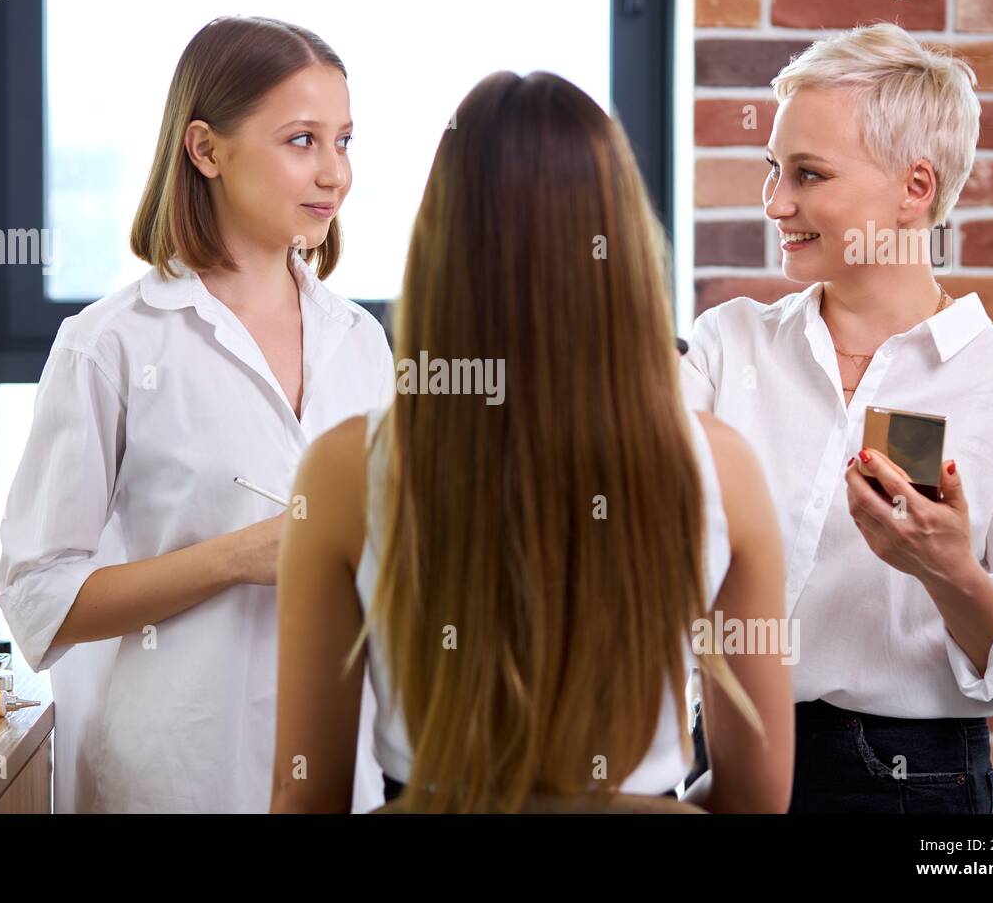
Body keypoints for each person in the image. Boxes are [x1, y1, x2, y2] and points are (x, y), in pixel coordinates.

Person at [270, 70, 794, 813]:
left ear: (442, 246)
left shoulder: (340, 473)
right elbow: (759, 794)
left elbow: (304, 796)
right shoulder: (723, 467)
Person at [681, 23, 993, 813]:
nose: (775, 202)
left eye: (808, 174)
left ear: (915, 188)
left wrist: (952, 572)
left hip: (917, 781)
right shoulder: (726, 347)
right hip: (729, 757)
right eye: (773, 168)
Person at [0, 16, 393, 812]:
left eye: (344, 140)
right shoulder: (107, 344)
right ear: (206, 150)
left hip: (342, 779)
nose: (334, 173)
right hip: (170, 777)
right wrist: (236, 557)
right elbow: (37, 596)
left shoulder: (361, 342)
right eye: (301, 140)